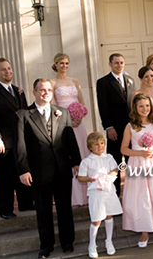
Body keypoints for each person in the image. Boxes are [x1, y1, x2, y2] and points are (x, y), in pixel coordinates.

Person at [14, 78, 81, 258]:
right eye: (42, 90)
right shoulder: (23, 115)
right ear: (34, 92)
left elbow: (70, 140)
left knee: (64, 207)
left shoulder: (63, 112)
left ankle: (68, 242)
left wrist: (76, 161)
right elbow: (20, 146)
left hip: (62, 169)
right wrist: (23, 170)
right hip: (38, 171)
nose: (46, 93)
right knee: (43, 210)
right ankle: (46, 245)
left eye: (49, 90)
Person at [0, 58, 33, 219]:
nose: (8, 72)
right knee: (5, 176)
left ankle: (25, 203)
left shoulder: (18, 91)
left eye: (9, 68)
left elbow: (24, 114)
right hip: (4, 141)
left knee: (22, 170)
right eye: (3, 69)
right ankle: (4, 208)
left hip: (20, 139)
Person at [121, 93, 153, 248]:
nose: (145, 109)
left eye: (147, 106)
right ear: (135, 108)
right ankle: (144, 231)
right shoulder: (130, 126)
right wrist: (140, 153)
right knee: (142, 196)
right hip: (138, 164)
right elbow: (124, 149)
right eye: (141, 106)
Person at [51, 53, 88, 207]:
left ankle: (87, 194)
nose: (64, 66)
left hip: (78, 124)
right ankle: (74, 198)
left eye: (66, 63)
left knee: (83, 153)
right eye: (61, 63)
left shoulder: (75, 81)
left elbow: (82, 102)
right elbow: (53, 106)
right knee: (69, 155)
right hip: (64, 124)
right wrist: (66, 119)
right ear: (55, 64)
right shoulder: (52, 82)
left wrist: (79, 116)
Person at [78, 132, 122, 258]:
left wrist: (111, 175)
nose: (100, 146)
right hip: (95, 193)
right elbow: (81, 177)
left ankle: (109, 241)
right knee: (96, 219)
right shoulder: (86, 161)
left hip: (108, 191)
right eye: (96, 144)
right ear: (90, 147)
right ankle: (92, 244)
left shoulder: (108, 157)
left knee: (109, 216)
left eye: (102, 143)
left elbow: (115, 169)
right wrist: (91, 179)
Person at [96, 53, 136, 196]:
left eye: (121, 62)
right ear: (110, 64)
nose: (119, 65)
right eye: (116, 63)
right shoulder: (103, 82)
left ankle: (132, 192)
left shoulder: (130, 80)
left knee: (133, 160)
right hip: (115, 128)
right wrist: (108, 127)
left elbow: (133, 104)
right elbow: (103, 106)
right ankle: (116, 194)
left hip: (131, 127)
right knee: (115, 161)